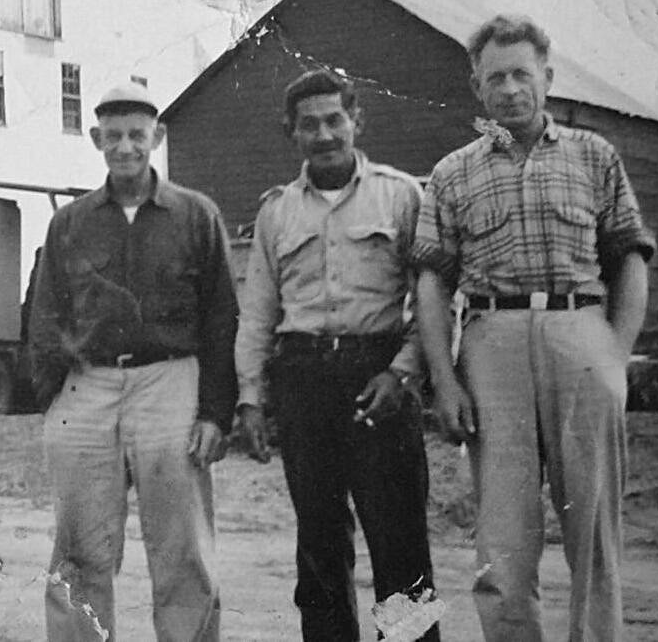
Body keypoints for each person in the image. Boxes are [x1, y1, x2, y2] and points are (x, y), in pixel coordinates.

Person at [412, 15, 655, 642]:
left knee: (593, 530)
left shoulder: (595, 155)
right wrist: (444, 380)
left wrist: (617, 359)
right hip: (493, 342)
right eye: (496, 77)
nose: (511, 88)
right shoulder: (452, 173)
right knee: (503, 537)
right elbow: (433, 285)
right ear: (477, 87)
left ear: (547, 77)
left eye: (523, 73)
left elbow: (630, 257)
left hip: (581, 333)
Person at [28, 80, 238, 641]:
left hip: (170, 380)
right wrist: (53, 398)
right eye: (114, 136)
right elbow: (44, 312)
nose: (126, 147)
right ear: (96, 138)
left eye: (137, 135)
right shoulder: (69, 222)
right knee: (79, 547)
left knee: (181, 547)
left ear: (158, 137)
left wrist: (217, 412)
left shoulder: (196, 215)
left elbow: (222, 318)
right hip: (87, 385)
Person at [235, 69, 438, 641]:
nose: (323, 134)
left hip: (380, 378)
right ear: (291, 132)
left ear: (357, 122)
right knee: (319, 547)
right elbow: (257, 312)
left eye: (334, 120)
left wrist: (403, 373)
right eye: (309, 125)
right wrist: (251, 398)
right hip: (303, 382)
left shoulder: (402, 196)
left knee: (401, 546)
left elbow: (433, 302)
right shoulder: (277, 212)